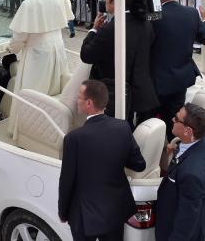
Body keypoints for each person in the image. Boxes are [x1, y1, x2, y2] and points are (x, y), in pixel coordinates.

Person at [58, 80, 146, 241]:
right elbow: (139, 164)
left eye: (79, 98)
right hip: (115, 212)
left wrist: (62, 212)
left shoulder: (73, 139)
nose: (76, 101)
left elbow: (66, 181)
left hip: (85, 217)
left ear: (89, 103)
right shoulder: (123, 127)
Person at [80, 0, 159, 124]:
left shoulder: (109, 30)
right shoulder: (145, 23)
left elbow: (86, 55)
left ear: (114, 0)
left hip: (115, 92)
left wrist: (93, 30)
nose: (105, 1)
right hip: (140, 88)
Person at [150, 0, 205, 136]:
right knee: (174, 121)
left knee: (151, 124)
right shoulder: (191, 13)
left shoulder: (153, 16)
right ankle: (173, 152)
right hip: (179, 80)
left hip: (154, 81)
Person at [155, 103, 205, 241]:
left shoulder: (191, 173)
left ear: (188, 131)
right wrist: (177, 150)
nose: (172, 120)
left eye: (177, 118)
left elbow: (187, 221)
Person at [8, 0, 70, 96]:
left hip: (38, 54)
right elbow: (66, 2)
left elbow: (20, 35)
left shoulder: (28, 4)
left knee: (35, 92)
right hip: (58, 48)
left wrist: (12, 48)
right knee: (55, 88)